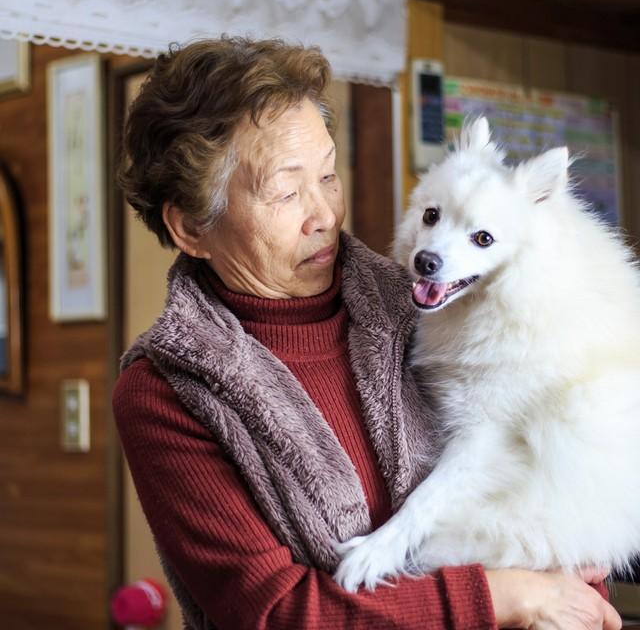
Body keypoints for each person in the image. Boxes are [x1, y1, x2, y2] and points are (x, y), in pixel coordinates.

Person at [113, 37, 621, 630]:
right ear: (191, 226)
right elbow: (274, 613)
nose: (324, 212)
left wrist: (568, 590)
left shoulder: (435, 306)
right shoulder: (167, 390)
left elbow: (564, 490)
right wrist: (503, 598)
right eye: (284, 190)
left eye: (329, 175)